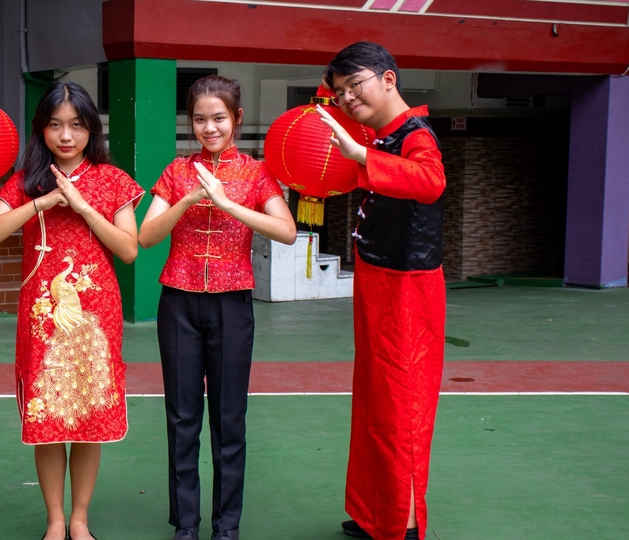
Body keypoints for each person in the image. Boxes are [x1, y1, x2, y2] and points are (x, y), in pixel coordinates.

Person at [0, 81, 143, 540]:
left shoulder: (112, 180)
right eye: (54, 125)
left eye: (76, 125)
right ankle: (53, 522)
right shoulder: (26, 180)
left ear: (91, 129)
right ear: (41, 129)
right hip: (41, 316)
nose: (66, 135)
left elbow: (129, 250)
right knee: (46, 420)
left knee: (87, 418)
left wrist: (86, 208)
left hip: (96, 315)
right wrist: (44, 200)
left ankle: (80, 520)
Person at [138, 75, 297, 540]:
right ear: (191, 122)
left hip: (232, 306)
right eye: (200, 119)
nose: (210, 128)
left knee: (230, 418)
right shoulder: (176, 171)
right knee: (182, 417)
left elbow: (285, 231)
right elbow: (147, 237)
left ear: (237, 119)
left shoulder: (255, 172)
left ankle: (227, 526)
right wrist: (189, 197)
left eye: (219, 118)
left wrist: (226, 203)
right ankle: (186, 524)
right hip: (179, 304)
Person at [317, 42, 447, 540]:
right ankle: (374, 513)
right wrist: (334, 115)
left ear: (389, 79)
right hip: (376, 279)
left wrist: (360, 154)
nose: (349, 97)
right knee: (372, 398)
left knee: (402, 406)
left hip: (409, 289)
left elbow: (431, 180)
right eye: (341, 91)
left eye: (357, 85)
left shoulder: (416, 134)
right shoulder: (379, 134)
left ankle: (403, 524)